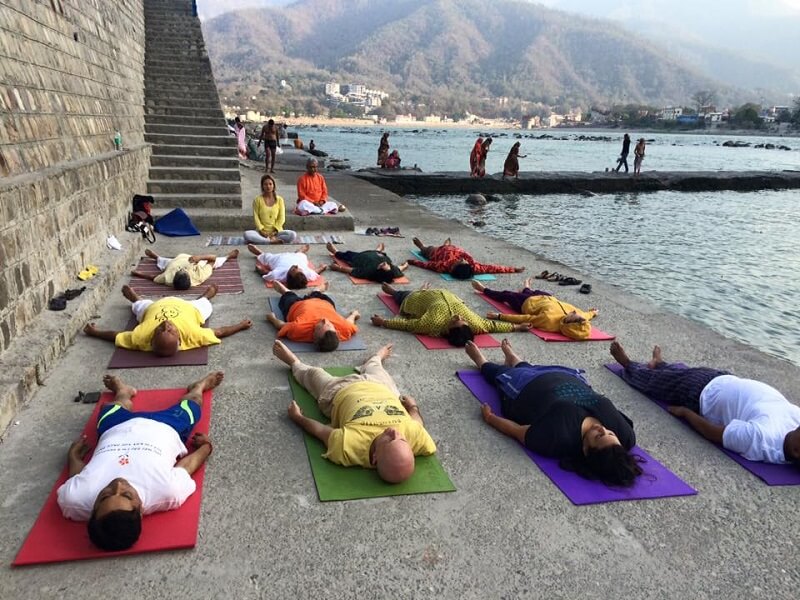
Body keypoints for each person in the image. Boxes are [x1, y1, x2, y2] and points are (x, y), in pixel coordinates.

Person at [57, 371, 222, 551]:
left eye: (105, 495)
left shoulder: (74, 501)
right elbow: (187, 467)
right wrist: (206, 447)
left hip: (114, 427)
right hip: (168, 426)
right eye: (127, 495)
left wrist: (73, 456)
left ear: (93, 510)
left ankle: (123, 391)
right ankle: (199, 386)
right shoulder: (167, 492)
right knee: (194, 404)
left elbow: (77, 478)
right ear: (140, 510)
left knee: (112, 406)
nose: (118, 485)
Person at [465, 339, 642, 487]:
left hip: (523, 388)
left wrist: (490, 418)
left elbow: (517, 432)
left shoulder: (558, 437)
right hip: (567, 377)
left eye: (598, 436)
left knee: (499, 372)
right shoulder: (625, 436)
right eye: (609, 432)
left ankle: (480, 360)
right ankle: (512, 357)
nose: (601, 428)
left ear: (586, 450)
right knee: (526, 366)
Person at [610, 342, 800, 465]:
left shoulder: (761, 439)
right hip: (724, 378)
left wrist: (685, 413)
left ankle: (628, 364)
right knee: (679, 372)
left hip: (700, 394)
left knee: (653, 382)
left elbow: (713, 433)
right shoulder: (795, 422)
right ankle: (659, 364)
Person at [275, 340, 436, 482]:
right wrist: (413, 407)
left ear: (374, 457)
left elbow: (321, 431)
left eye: (389, 440)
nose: (394, 432)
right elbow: (417, 424)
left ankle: (293, 361)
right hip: (382, 387)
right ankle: (377, 357)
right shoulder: (414, 440)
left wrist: (297, 417)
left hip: (339, 390)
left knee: (313, 374)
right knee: (375, 366)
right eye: (401, 440)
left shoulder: (349, 445)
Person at [83, 285, 252, 357]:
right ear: (179, 338)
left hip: (154, 307)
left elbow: (116, 335)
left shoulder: (141, 337)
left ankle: (134, 297)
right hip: (190, 309)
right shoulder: (193, 335)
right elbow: (220, 332)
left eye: (160, 330)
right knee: (204, 305)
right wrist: (241, 325)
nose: (166, 324)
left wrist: (95, 332)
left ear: (151, 338)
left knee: (141, 307)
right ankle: (207, 294)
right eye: (170, 330)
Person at [371, 283, 531, 346]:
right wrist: (517, 327)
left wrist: (383, 322)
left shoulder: (432, 324)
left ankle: (394, 291)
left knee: (400, 294)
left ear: (448, 330)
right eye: (462, 320)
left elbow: (406, 325)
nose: (459, 317)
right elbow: (493, 326)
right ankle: (424, 288)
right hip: (445, 294)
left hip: (415, 300)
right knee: (422, 291)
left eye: (456, 321)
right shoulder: (473, 324)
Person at [473, 279, 598, 341]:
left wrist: (499, 316)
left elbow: (525, 318)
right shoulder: (581, 318)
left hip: (527, 303)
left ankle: (484, 289)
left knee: (507, 295)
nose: (575, 312)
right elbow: (586, 315)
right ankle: (526, 287)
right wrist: (593, 312)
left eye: (574, 316)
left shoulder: (548, 321)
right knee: (534, 292)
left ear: (569, 324)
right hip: (547, 298)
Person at [267, 280, 359, 352]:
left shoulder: (298, 329)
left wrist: (272, 318)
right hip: (322, 302)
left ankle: (285, 291)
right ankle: (316, 290)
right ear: (337, 333)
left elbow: (281, 325)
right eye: (330, 325)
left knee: (288, 297)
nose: (325, 320)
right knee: (318, 295)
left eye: (321, 325)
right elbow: (349, 322)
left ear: (314, 336)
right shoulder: (344, 329)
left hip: (296, 305)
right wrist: (354, 314)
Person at [410, 236, 524, 279]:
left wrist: (413, 262)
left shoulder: (443, 266)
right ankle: (447, 243)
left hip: (437, 252)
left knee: (427, 250)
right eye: (464, 261)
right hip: (452, 248)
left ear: (455, 266)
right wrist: (514, 269)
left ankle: (421, 246)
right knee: (447, 245)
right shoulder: (474, 267)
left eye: (462, 261)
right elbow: (494, 268)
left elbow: (426, 265)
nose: (463, 260)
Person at [130, 249, 239, 290]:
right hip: (197, 262)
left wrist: (139, 274)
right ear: (188, 275)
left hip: (174, 261)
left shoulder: (168, 278)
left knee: (165, 263)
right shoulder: (199, 276)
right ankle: (228, 256)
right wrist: (200, 257)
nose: (182, 268)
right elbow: (212, 260)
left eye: (179, 270)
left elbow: (153, 277)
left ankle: (157, 257)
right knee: (218, 262)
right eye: (183, 270)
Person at [244, 174, 298, 245]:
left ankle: (266, 240)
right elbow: (256, 217)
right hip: (261, 233)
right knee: (247, 234)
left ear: (274, 185)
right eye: (265, 184)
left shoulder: (279, 200)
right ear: (262, 186)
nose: (268, 186)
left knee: (293, 235)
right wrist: (262, 231)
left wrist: (274, 232)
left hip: (277, 232)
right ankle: (270, 241)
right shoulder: (257, 200)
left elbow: (282, 218)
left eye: (270, 184)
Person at [247, 243, 326, 289]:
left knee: (267, 257)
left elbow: (265, 274)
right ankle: (300, 251)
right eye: (298, 269)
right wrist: (322, 267)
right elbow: (315, 272)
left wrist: (259, 270)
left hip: (278, 258)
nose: (296, 266)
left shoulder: (277, 274)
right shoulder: (307, 274)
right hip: (297, 257)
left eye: (294, 269)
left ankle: (260, 253)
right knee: (300, 255)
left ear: (288, 275)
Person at [327, 241, 408, 283]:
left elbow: (351, 270)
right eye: (387, 265)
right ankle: (378, 250)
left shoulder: (368, 272)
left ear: (378, 269)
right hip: (377, 254)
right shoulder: (392, 271)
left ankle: (335, 251)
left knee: (347, 255)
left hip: (358, 258)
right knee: (379, 254)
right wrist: (405, 265)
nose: (386, 264)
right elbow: (399, 269)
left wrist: (338, 268)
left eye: (383, 265)